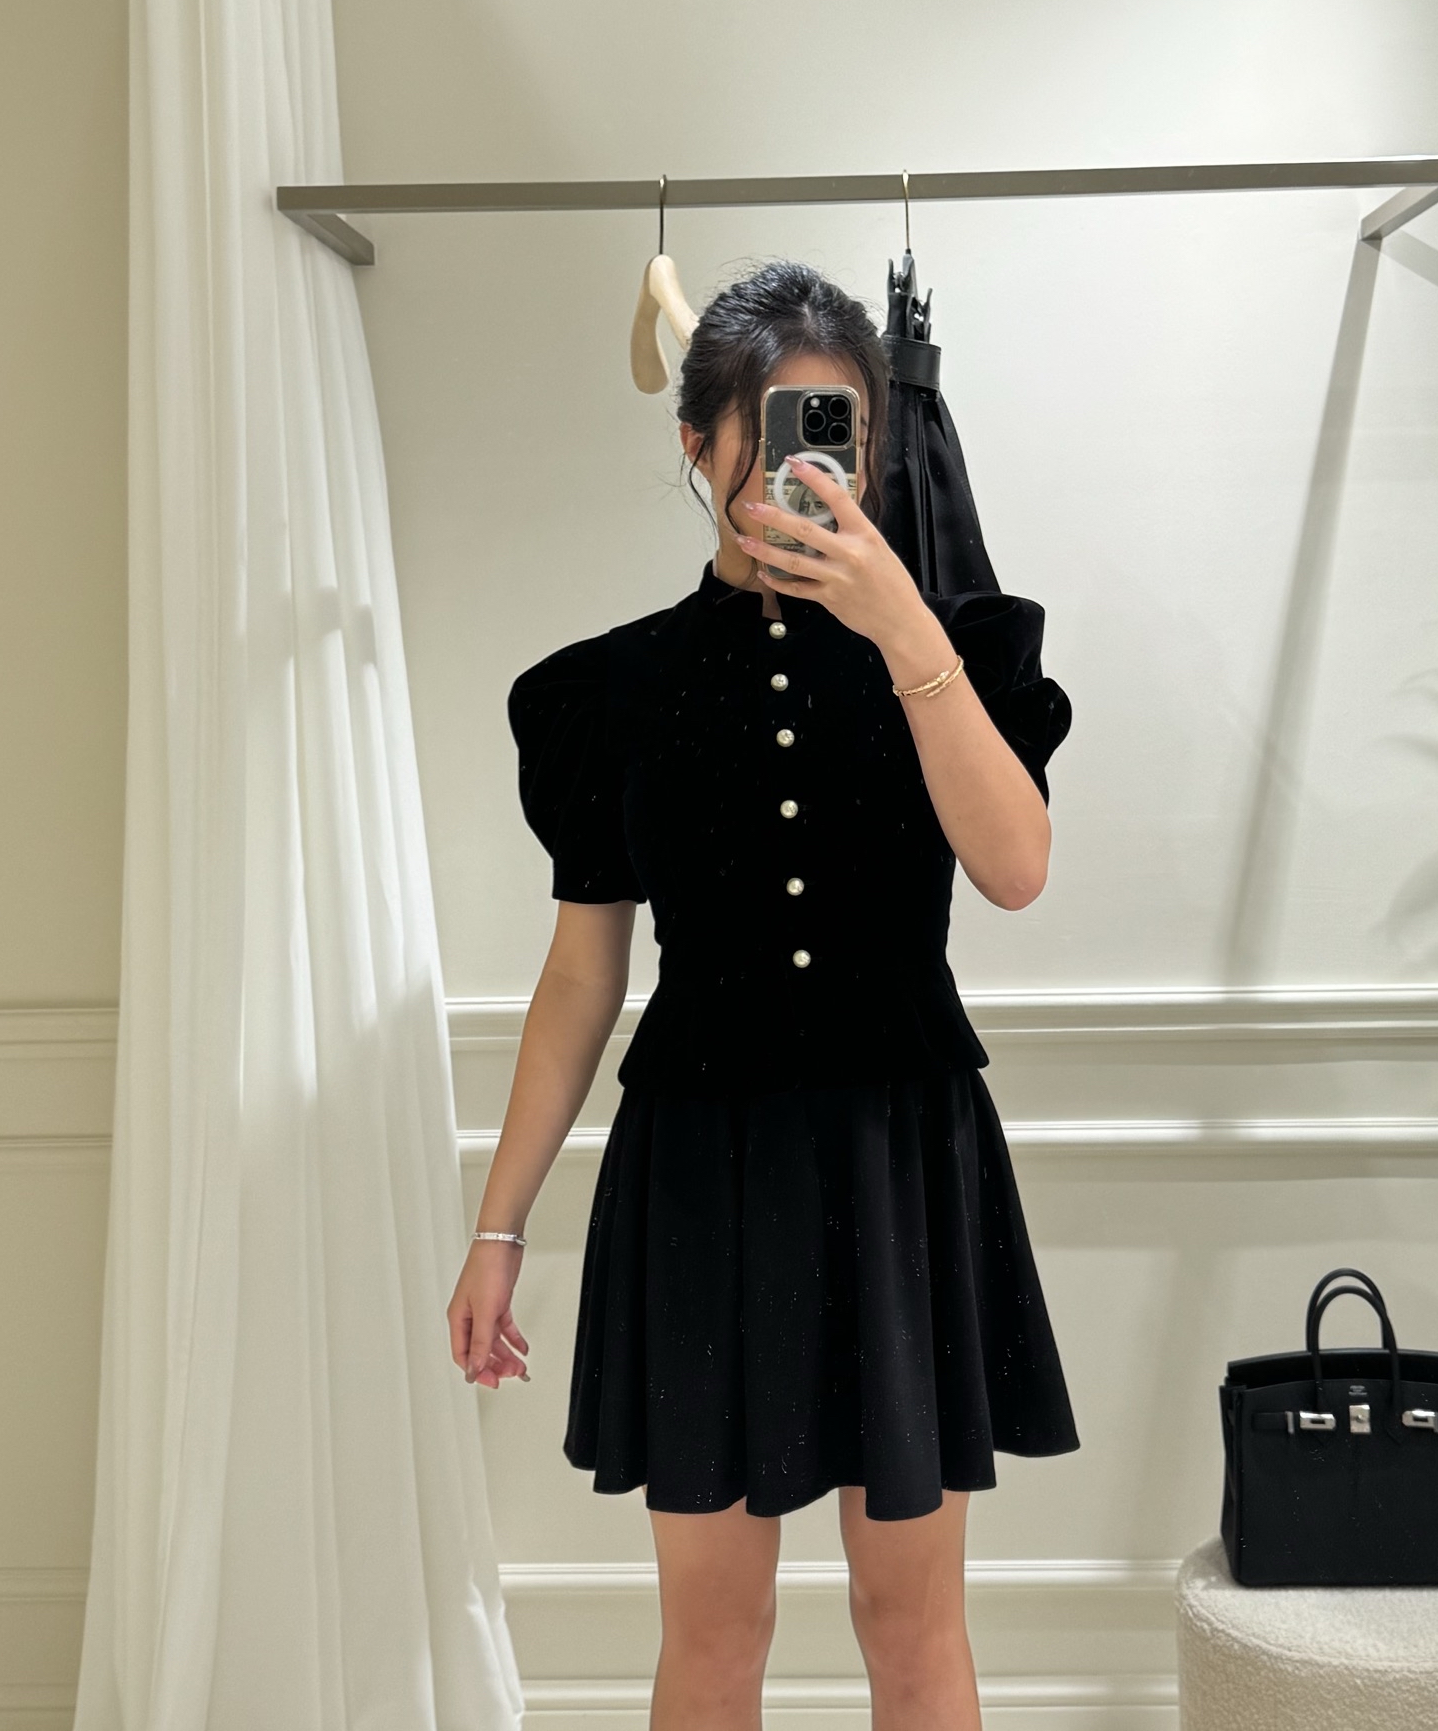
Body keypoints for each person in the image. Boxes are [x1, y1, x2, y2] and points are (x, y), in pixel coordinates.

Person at [447, 261, 1079, 1730]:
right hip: (702, 1174)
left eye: (839, 429)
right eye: (781, 426)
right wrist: (498, 1224)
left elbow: (1017, 867)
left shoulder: (949, 647)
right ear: (698, 442)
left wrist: (905, 626)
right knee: (714, 1631)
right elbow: (581, 974)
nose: (813, 462)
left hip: (899, 1162)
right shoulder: (612, 692)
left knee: (909, 1620)